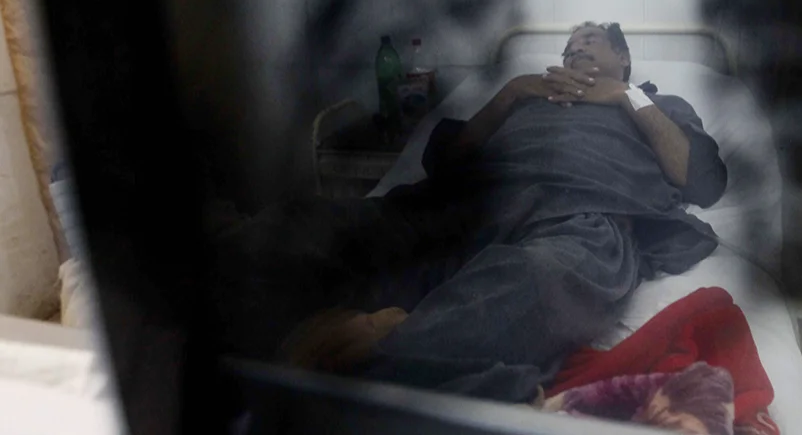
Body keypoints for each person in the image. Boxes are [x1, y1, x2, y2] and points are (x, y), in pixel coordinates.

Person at [218, 21, 727, 403]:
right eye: (569, 46)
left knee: (543, 275)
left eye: (589, 41)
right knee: (308, 228)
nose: (574, 50)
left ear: (623, 57)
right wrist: (512, 93)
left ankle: (365, 362)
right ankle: (226, 301)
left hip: (579, 216)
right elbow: (446, 162)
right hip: (470, 205)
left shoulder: (655, 105)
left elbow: (699, 180)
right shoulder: (527, 97)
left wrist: (625, 97)